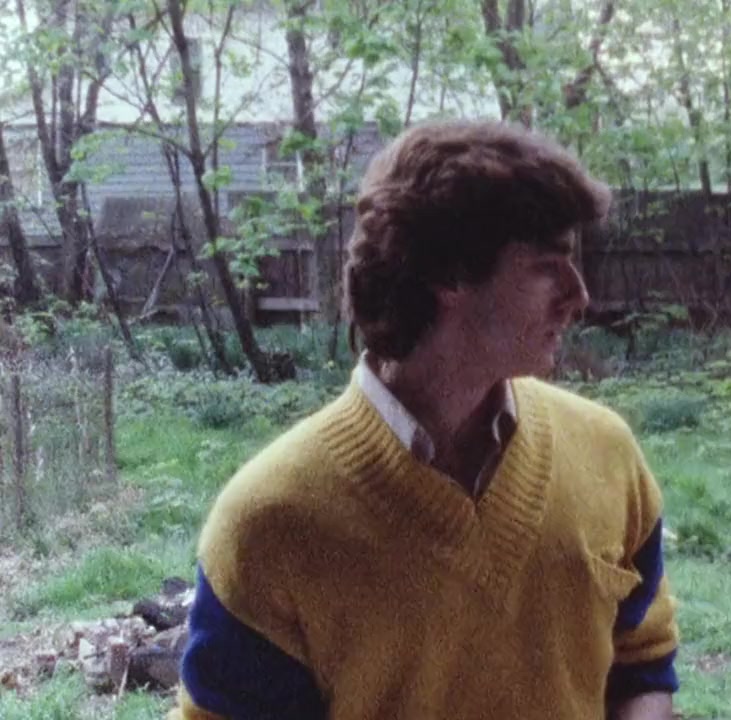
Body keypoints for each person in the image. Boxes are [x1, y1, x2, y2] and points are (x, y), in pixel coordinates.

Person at [172, 121, 679, 720]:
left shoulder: (606, 454)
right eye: (549, 265)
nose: (579, 295)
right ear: (449, 274)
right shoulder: (270, 524)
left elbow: (643, 663)